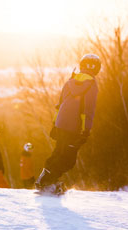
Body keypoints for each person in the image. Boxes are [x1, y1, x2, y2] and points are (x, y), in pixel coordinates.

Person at [35, 54, 101, 194]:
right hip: (74, 126)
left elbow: (60, 105)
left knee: (59, 152)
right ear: (97, 69)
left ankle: (45, 178)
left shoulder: (70, 81)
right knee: (68, 159)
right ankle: (47, 181)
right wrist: (86, 130)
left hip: (61, 123)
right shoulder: (92, 85)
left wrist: (55, 124)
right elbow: (88, 109)